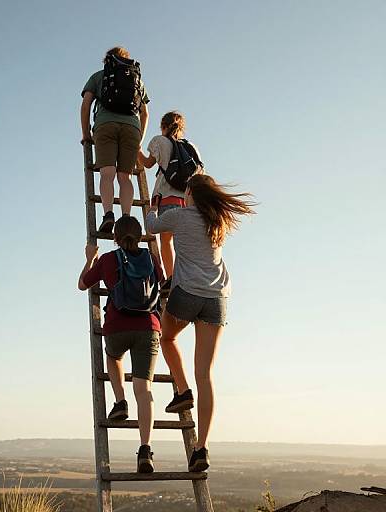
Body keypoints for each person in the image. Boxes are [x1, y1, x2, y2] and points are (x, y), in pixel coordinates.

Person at [145, 174, 256, 472]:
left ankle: (182, 391)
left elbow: (152, 228)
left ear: (191, 193)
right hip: (217, 298)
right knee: (205, 374)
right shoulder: (217, 222)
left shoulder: (180, 216)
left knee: (167, 338)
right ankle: (201, 448)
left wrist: (153, 205)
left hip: (188, 293)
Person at [78, 216, 163, 473]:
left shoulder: (107, 259)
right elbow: (163, 284)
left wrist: (90, 257)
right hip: (148, 327)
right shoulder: (150, 258)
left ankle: (119, 402)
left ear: (115, 237)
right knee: (144, 389)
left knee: (113, 357)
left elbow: (82, 284)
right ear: (139, 236)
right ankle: (145, 450)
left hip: (117, 326)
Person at [81, 47, 150, 234]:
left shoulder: (98, 76)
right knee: (125, 177)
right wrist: (140, 140)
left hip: (105, 125)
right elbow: (145, 113)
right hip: (132, 128)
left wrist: (86, 133)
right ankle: (126, 217)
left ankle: (108, 214)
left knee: (107, 173)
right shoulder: (137, 81)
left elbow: (86, 104)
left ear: (107, 60)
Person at [138, 111, 202, 288]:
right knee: (184, 242)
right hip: (188, 200)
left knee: (166, 241)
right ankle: (187, 277)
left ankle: (172, 277)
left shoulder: (159, 141)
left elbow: (148, 163)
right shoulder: (191, 147)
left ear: (163, 126)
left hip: (166, 197)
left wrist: (137, 150)